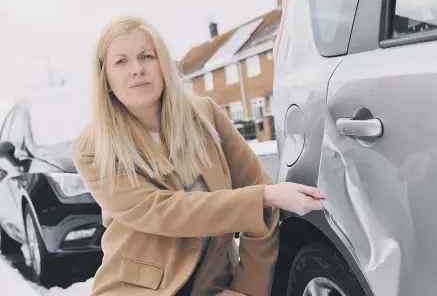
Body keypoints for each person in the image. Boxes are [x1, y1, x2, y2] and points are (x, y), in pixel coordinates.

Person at [72, 16, 325, 296]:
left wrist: (246, 288)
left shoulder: (205, 116)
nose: (137, 69)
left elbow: (262, 208)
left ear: (164, 65)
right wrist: (264, 195)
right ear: (105, 80)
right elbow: (164, 212)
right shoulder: (94, 148)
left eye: (147, 56)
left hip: (212, 284)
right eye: (121, 61)